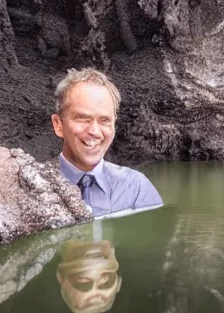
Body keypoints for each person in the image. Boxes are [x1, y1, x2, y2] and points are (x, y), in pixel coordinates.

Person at [51, 68, 163, 218]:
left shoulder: (136, 188)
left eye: (104, 121)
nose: (95, 131)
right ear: (58, 125)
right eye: (83, 119)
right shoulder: (30, 186)